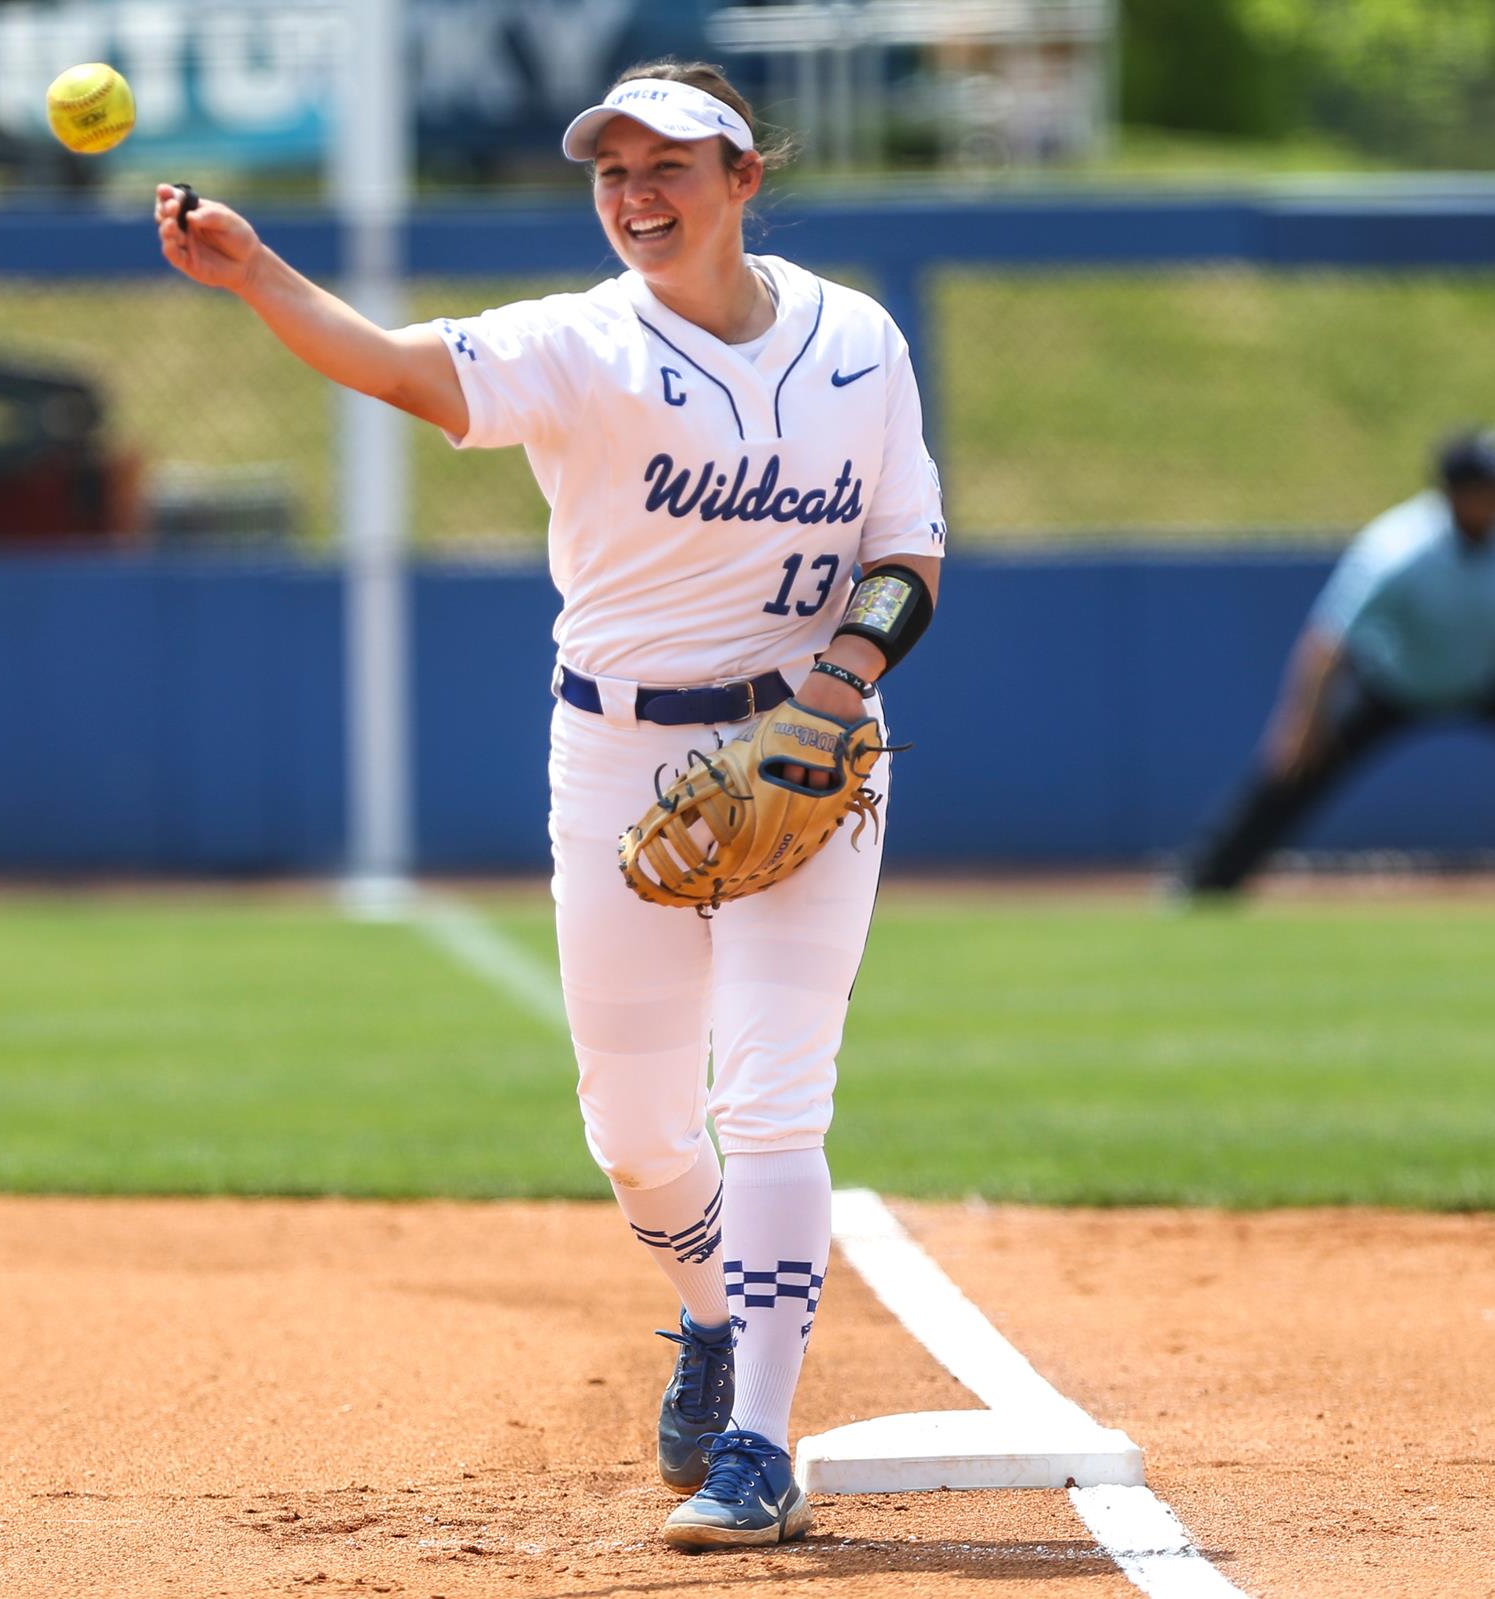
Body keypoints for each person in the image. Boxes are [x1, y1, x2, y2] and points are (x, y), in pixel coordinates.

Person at [154, 61, 944, 1550]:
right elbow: (395, 365)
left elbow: (908, 550)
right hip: (619, 761)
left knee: (773, 1093)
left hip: (810, 751)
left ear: (743, 177)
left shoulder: (858, 340)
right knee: (636, 1131)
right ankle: (711, 1316)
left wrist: (838, 684)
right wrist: (257, 273)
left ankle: (759, 1443)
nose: (637, 195)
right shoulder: (580, 343)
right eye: (613, 171)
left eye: (670, 166)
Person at [1177, 426, 1495, 897]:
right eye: (1494, 488)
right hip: (1395, 681)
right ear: (1458, 493)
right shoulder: (1398, 549)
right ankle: (1206, 883)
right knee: (1297, 762)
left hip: (1487, 676)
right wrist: (1303, 722)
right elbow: (1328, 640)